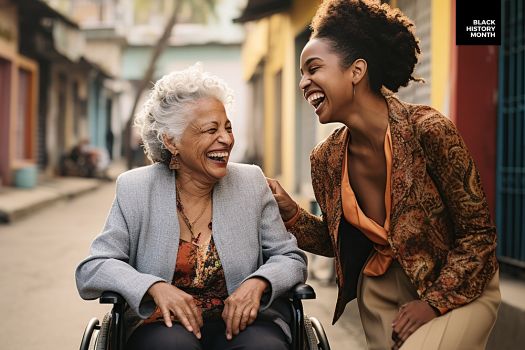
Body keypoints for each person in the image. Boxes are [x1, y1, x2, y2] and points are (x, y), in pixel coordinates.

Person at [267, 1, 500, 349]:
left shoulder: (429, 130)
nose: (303, 83)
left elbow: (478, 235)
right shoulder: (326, 158)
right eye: (302, 73)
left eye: (313, 69)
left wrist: (434, 302)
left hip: (458, 285)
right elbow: (337, 243)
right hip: (379, 295)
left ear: (356, 71)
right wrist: (291, 213)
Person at [76, 64, 307, 350]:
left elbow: (290, 257)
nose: (225, 138)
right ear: (171, 141)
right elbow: (93, 269)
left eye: (228, 127)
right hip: (163, 324)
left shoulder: (251, 182)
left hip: (245, 323)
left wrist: (258, 282)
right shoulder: (136, 189)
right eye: (211, 129)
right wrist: (153, 287)